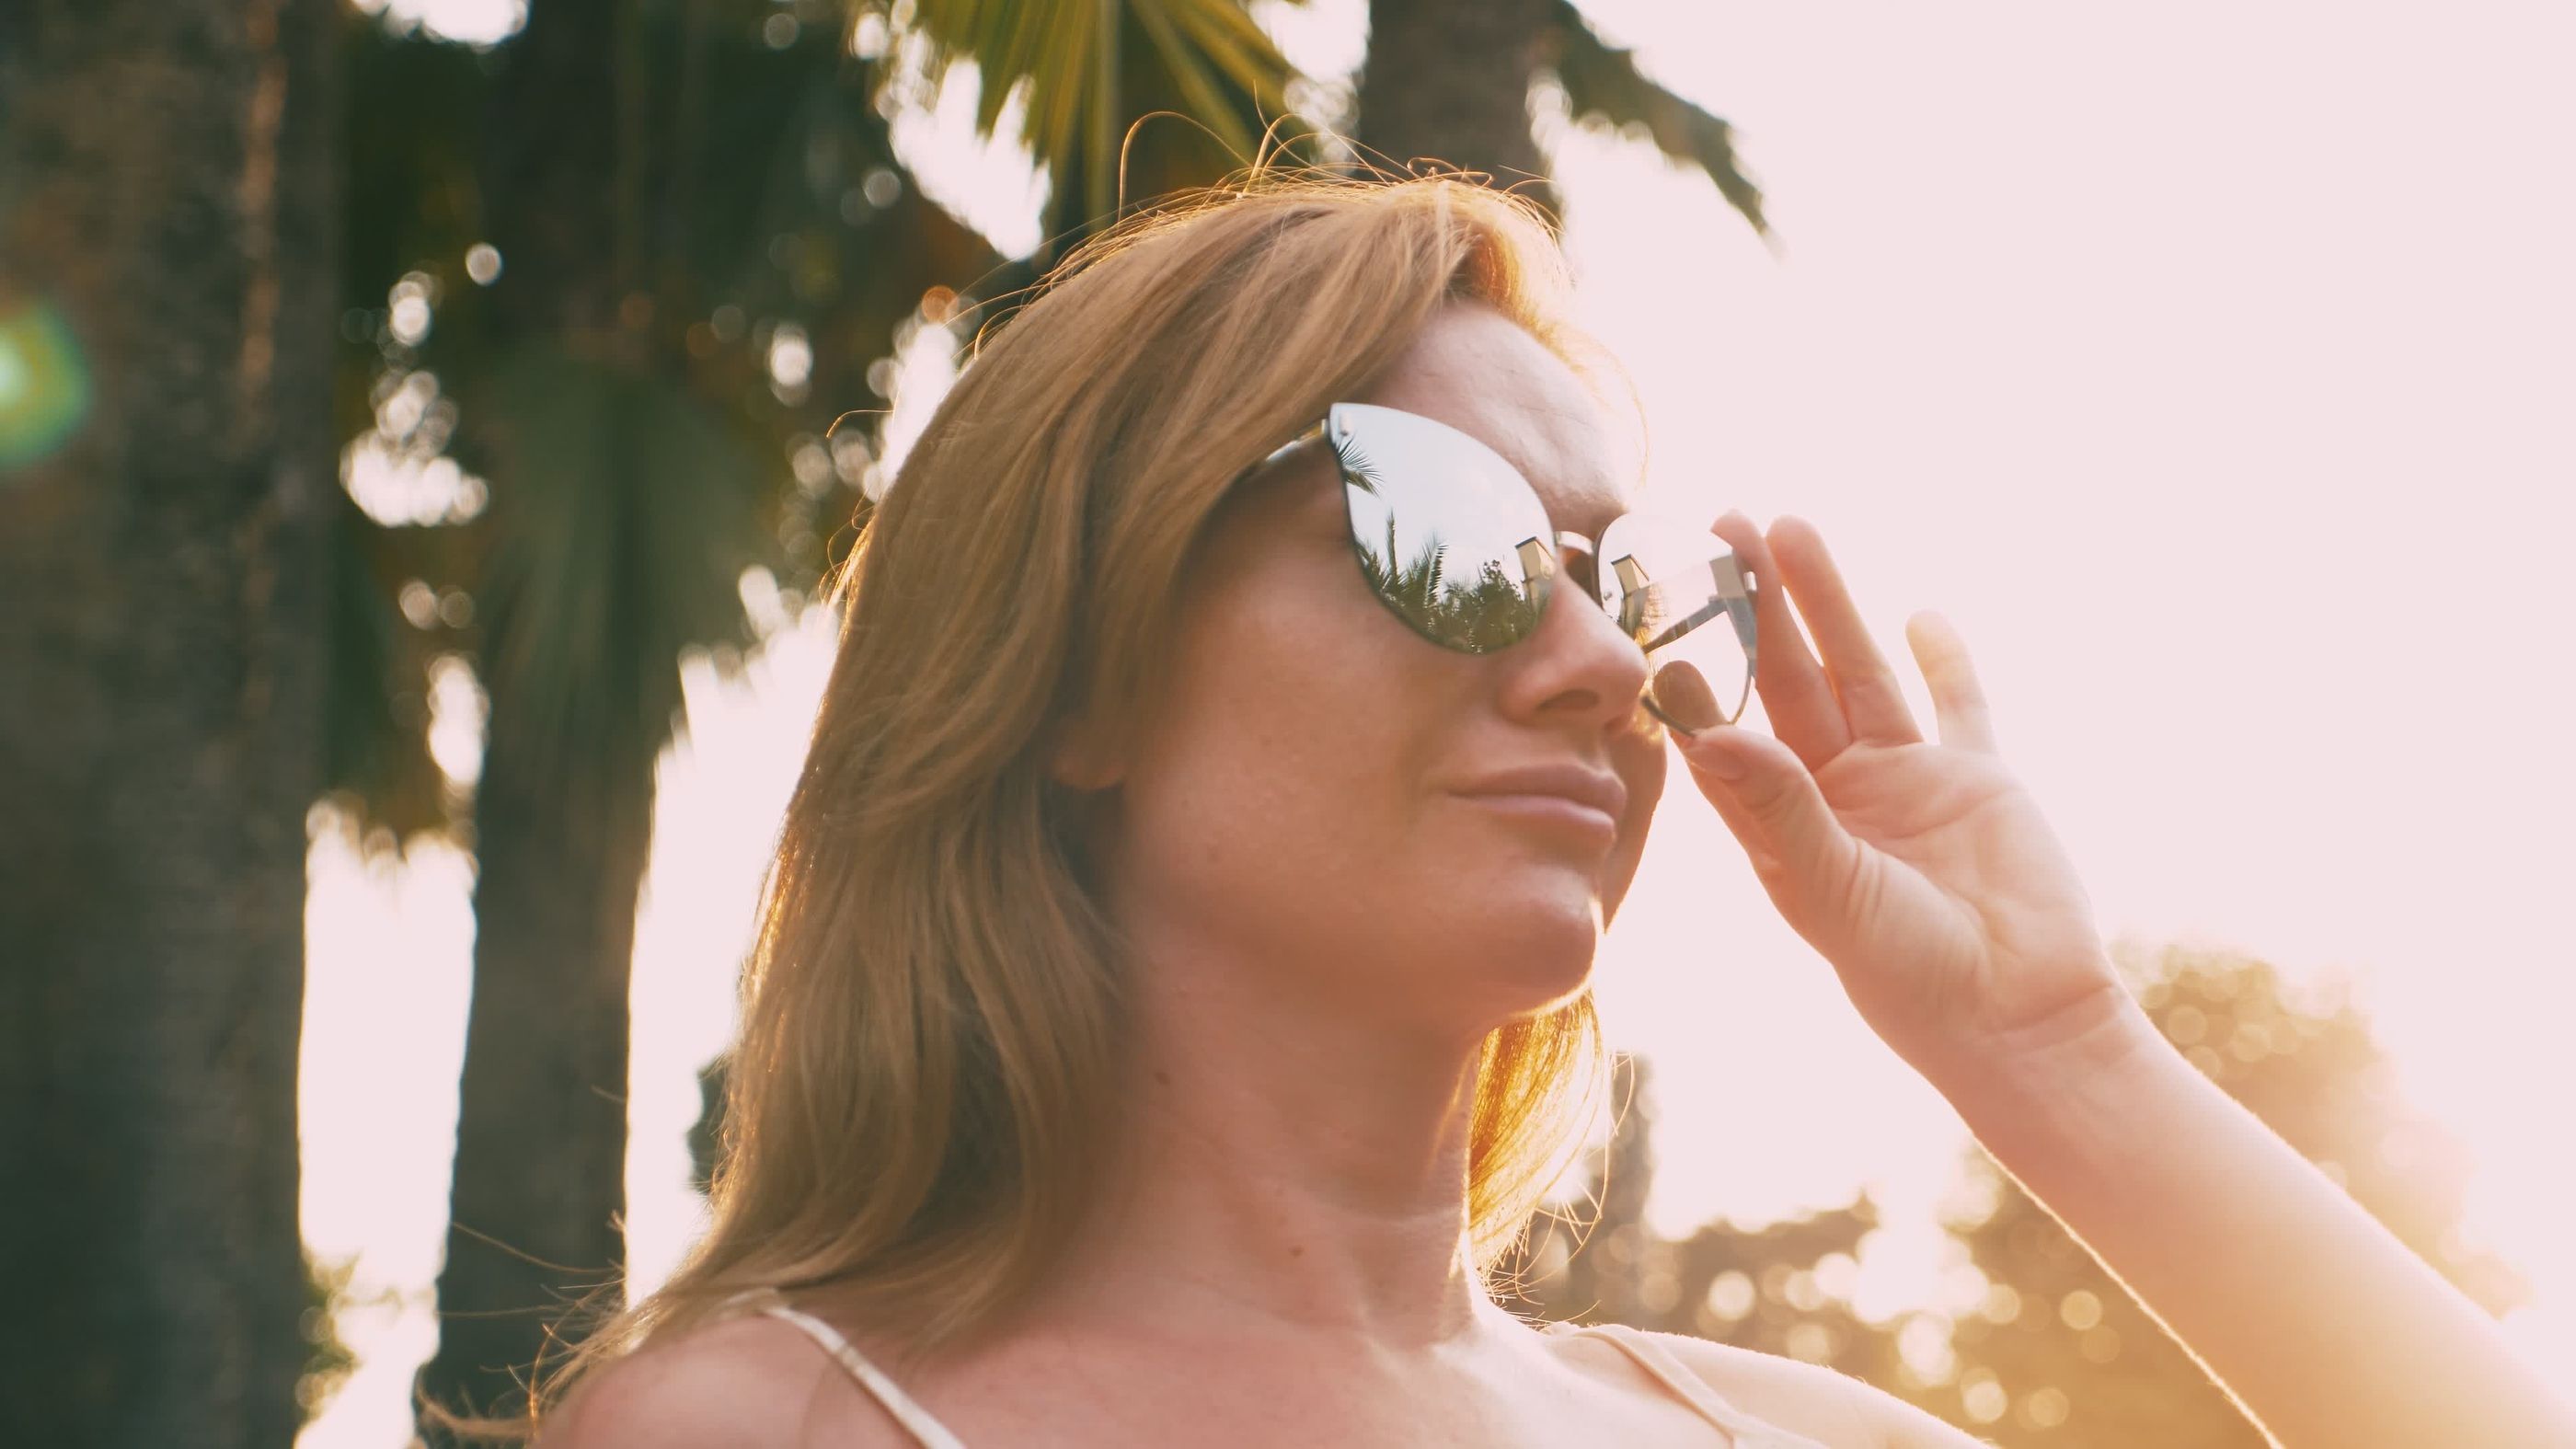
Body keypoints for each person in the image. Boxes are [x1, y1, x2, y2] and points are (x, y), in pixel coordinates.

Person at [488, 170, 2576, 1447]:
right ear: (1082, 659)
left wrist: (2062, 1057)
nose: (1604, 669)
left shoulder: (1788, 1437)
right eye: (1452, 534)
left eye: (1619, 578)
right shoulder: (779, 1431)